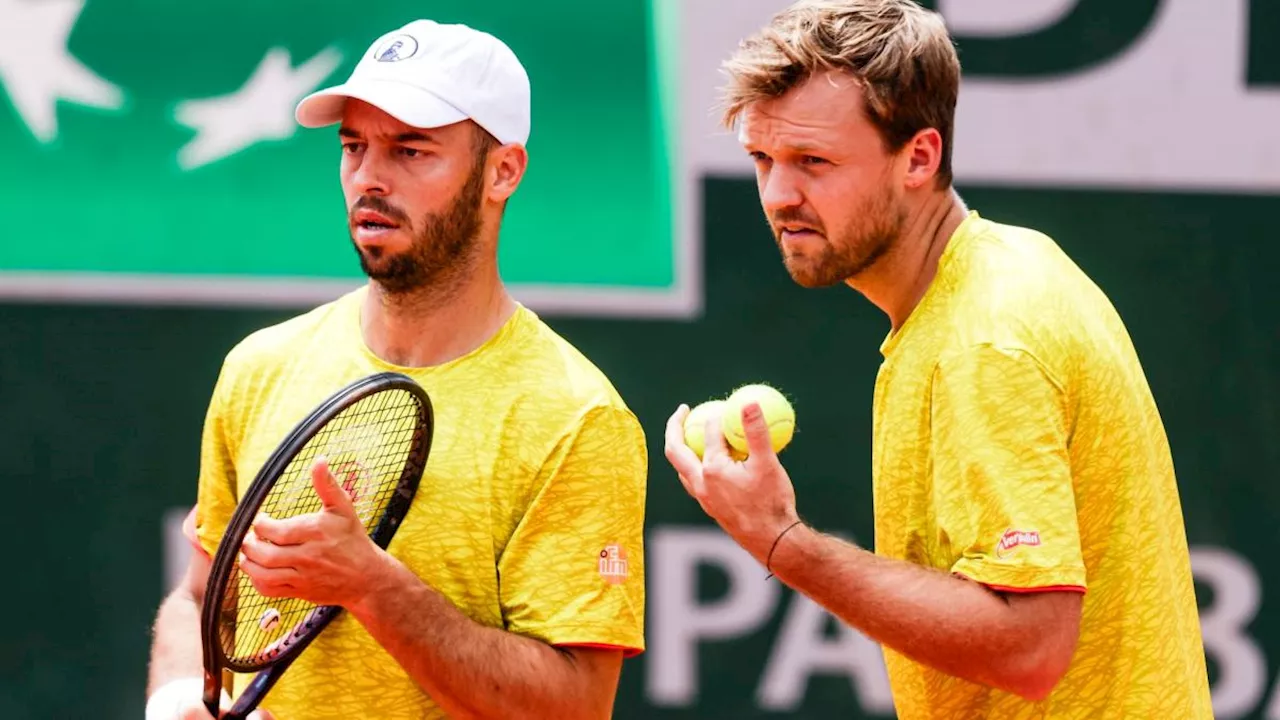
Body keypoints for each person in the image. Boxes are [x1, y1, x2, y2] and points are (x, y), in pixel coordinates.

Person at [663, 1, 1213, 718]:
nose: (778, 195)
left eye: (814, 163)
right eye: (762, 159)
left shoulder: (983, 342)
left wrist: (782, 542)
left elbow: (1030, 646)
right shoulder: (1010, 267)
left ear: (919, 157)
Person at [145, 18, 647, 720]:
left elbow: (573, 706)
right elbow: (201, 598)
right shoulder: (259, 368)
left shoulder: (576, 415)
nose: (370, 178)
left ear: (503, 169)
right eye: (354, 147)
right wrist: (175, 699)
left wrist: (373, 587)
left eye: (411, 150)